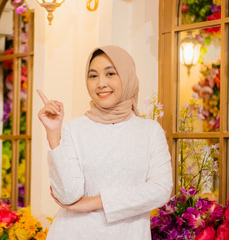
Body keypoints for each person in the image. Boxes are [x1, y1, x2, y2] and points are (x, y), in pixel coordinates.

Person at [37, 45, 173, 239]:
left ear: (127, 77)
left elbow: (160, 190)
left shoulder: (149, 131)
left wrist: (93, 202)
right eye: (93, 76)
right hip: (73, 232)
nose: (101, 83)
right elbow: (67, 196)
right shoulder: (72, 130)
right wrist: (53, 133)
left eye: (110, 73)